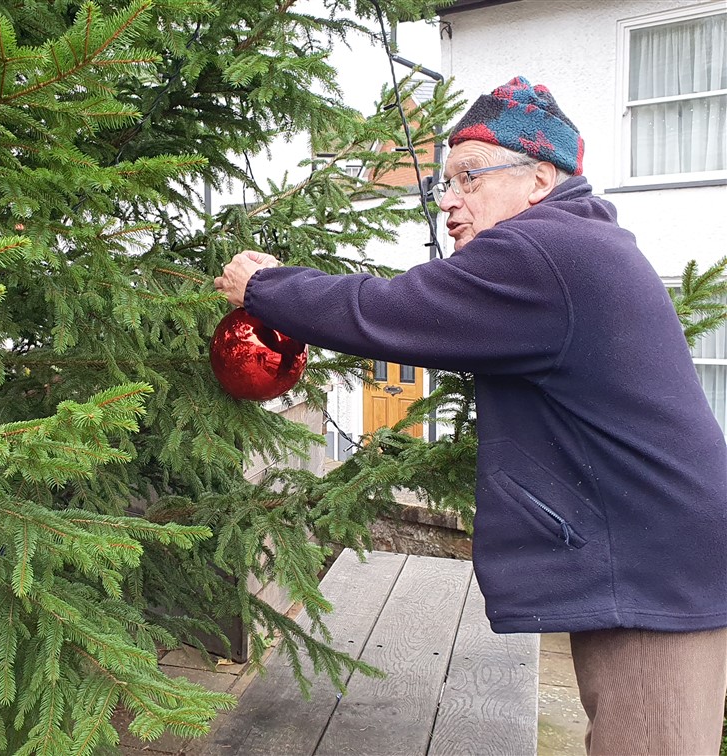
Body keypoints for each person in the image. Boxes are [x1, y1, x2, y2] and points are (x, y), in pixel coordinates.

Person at [214, 76, 727, 755]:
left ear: (540, 179)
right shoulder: (576, 244)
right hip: (653, 561)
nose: (450, 200)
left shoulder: (542, 251)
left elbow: (388, 312)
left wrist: (266, 287)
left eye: (470, 177)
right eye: (443, 183)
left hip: (654, 575)